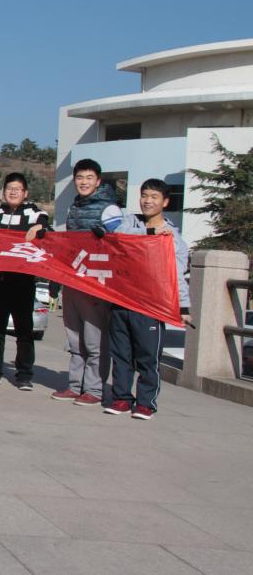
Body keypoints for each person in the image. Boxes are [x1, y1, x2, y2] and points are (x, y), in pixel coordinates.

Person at [104, 179, 190, 420]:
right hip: (122, 300)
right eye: (144, 196)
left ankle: (146, 403)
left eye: (154, 197)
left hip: (150, 305)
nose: (147, 201)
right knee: (121, 355)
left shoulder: (173, 238)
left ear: (165, 202)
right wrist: (150, 234)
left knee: (147, 357)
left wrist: (184, 307)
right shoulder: (129, 222)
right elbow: (117, 237)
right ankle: (121, 398)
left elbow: (178, 275)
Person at [52, 158, 124, 406]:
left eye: (89, 178)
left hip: (96, 282)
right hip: (73, 279)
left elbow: (121, 242)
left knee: (95, 340)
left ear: (98, 181)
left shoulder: (110, 209)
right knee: (74, 338)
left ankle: (94, 389)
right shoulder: (74, 207)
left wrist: (106, 236)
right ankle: (75, 385)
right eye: (80, 178)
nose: (84, 182)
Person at [0, 173, 50, 389]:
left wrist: (39, 227)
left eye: (17, 189)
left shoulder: (34, 212)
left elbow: (45, 224)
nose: (13, 192)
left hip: (23, 281)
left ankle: (24, 375)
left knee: (24, 330)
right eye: (9, 189)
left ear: (25, 193)